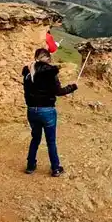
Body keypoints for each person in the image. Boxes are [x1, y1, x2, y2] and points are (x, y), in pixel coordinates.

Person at [22, 48, 78, 177]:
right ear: (48, 58)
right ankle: (55, 168)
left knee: (35, 138)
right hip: (47, 110)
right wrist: (72, 87)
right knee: (51, 141)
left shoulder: (28, 72)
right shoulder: (50, 72)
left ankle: (30, 166)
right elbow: (58, 92)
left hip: (31, 110)